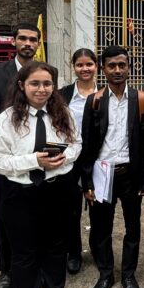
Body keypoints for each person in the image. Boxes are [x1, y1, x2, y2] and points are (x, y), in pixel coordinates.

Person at [0, 61, 82, 288]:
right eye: (35, 83)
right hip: (21, 195)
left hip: (56, 190)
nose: (42, 89)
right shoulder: (6, 120)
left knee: (56, 246)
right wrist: (33, 161)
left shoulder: (64, 114)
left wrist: (63, 158)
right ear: (22, 86)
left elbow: (76, 143)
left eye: (47, 83)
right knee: (24, 251)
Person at [77, 45, 144, 288]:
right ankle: (106, 274)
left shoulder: (142, 99)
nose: (117, 70)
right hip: (102, 173)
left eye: (122, 65)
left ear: (129, 67)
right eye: (112, 65)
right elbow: (87, 145)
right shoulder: (95, 101)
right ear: (104, 69)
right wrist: (87, 182)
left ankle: (129, 275)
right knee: (101, 228)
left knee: (132, 228)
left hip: (130, 175)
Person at [0, 22, 42, 288]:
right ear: (13, 42)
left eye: (33, 39)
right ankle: (6, 270)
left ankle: (37, 267)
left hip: (39, 158)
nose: (27, 43)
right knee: (6, 216)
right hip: (9, 157)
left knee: (37, 215)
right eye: (23, 38)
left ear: (38, 44)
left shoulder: (42, 73)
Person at [58, 48, 98, 275]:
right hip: (70, 158)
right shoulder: (63, 95)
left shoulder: (104, 93)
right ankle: (73, 252)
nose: (85, 69)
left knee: (98, 207)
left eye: (89, 64)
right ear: (73, 66)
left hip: (97, 158)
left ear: (96, 66)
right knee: (71, 209)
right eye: (80, 65)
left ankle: (97, 248)